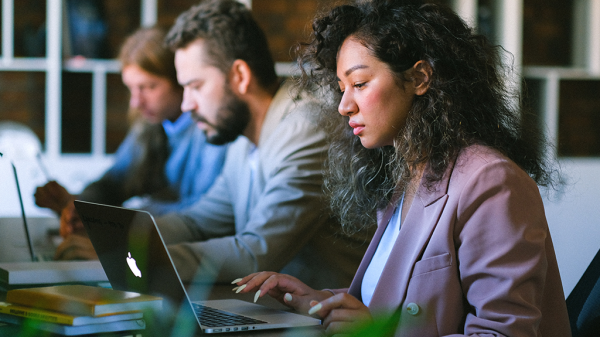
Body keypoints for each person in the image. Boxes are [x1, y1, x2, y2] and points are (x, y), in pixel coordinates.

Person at [233, 1, 572, 336]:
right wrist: (320, 303)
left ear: (420, 78)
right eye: (341, 88)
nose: (343, 106)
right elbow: (395, 305)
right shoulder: (408, 176)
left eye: (360, 84)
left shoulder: (491, 182)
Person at [146, 0, 369, 289]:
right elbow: (198, 222)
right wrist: (129, 233)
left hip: (330, 324)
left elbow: (257, 253)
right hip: (279, 315)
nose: (187, 104)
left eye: (195, 86)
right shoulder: (244, 139)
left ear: (240, 76)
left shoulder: (307, 129)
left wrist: (142, 256)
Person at [34, 27, 228, 260]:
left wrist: (114, 220)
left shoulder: (212, 128)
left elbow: (202, 214)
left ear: (180, 80)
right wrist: (81, 205)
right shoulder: (151, 124)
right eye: (131, 89)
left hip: (196, 258)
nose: (136, 102)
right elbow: (114, 182)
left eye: (149, 87)